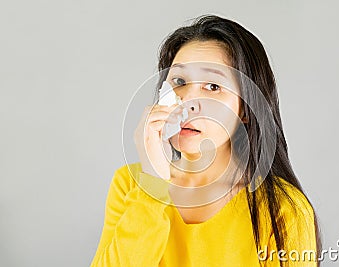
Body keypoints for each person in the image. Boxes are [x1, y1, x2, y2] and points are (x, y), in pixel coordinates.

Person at [89, 15, 321, 267]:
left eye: (212, 86)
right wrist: (153, 183)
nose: (188, 101)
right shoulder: (128, 185)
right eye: (179, 82)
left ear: (245, 109)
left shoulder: (283, 209)